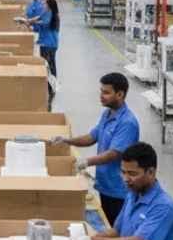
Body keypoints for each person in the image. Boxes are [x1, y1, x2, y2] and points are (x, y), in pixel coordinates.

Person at [70, 142, 173, 240]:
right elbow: (117, 230)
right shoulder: (132, 194)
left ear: (151, 172)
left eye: (132, 174)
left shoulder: (164, 207)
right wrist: (88, 238)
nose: (126, 179)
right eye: (123, 172)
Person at [51, 73, 139, 226]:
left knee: (116, 228)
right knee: (107, 222)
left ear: (120, 94)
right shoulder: (108, 114)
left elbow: (114, 153)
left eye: (106, 92)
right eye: (101, 91)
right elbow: (92, 137)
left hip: (118, 190)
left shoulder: (127, 123)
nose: (101, 96)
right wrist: (66, 140)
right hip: (105, 186)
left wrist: (86, 162)